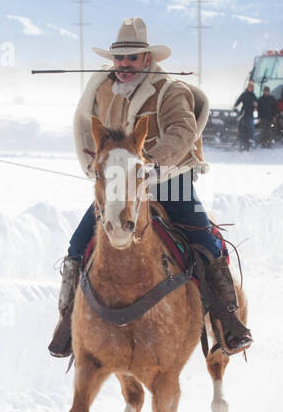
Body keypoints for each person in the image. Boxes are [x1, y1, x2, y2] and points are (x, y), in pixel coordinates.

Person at [48, 18, 251, 357]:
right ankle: (68, 321)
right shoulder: (104, 89)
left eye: (132, 58)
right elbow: (91, 130)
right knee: (77, 245)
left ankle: (226, 320)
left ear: (147, 59)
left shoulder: (172, 91)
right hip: (120, 187)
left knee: (205, 241)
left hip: (170, 181)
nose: (123, 66)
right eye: (119, 59)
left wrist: (152, 162)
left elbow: (182, 131)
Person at [233, 81, 257, 150]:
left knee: (251, 127)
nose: (250, 88)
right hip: (244, 113)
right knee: (242, 128)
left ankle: (251, 139)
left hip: (250, 114)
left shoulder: (253, 95)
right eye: (249, 87)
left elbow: (256, 103)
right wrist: (235, 106)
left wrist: (256, 105)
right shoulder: (244, 94)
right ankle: (241, 142)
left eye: (251, 87)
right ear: (248, 87)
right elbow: (239, 100)